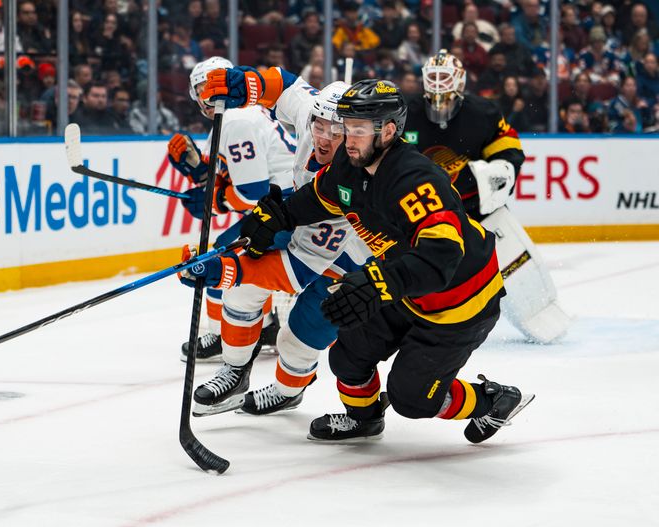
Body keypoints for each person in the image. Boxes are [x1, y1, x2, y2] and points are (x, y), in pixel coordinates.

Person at [234, 78, 533, 442]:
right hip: (403, 289)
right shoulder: (350, 164)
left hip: (459, 302)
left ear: (388, 131)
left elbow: (441, 256)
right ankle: (365, 418)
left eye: (358, 129)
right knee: (346, 357)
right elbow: (318, 198)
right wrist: (278, 216)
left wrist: (378, 283)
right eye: (346, 127)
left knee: (413, 399)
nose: (348, 137)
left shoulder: (415, 179)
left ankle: (491, 400)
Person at [183, 64, 369, 416]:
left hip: (351, 264)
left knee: (299, 336)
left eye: (337, 132)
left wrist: (224, 269)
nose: (324, 138)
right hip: (302, 218)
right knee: (241, 285)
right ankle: (235, 369)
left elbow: (293, 273)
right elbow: (286, 86)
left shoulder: (354, 183)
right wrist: (246, 82)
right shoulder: (311, 114)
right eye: (320, 126)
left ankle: (288, 391)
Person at [404, 50, 570, 344]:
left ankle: (538, 312)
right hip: (426, 217)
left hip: (478, 211)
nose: (439, 84)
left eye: (445, 77)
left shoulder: (483, 114)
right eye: (434, 77)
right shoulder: (406, 114)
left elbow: (509, 149)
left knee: (516, 271)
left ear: (460, 81)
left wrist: (503, 169)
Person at [167, 57, 296, 383]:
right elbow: (225, 178)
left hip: (291, 211)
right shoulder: (229, 122)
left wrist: (213, 202)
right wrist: (197, 169)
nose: (209, 96)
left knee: (221, 259)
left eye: (214, 86)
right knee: (223, 253)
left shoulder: (238, 120)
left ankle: (228, 337)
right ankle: (260, 328)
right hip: (281, 206)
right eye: (202, 89)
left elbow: (252, 192)